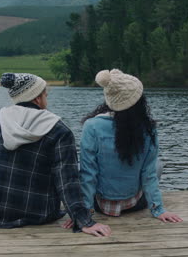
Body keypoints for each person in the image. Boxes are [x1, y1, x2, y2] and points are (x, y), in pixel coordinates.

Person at [0, 72, 111, 237]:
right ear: (37, 98)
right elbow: (67, 180)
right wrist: (84, 220)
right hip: (35, 212)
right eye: (46, 95)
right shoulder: (58, 130)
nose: (46, 100)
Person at [62, 69, 181, 229]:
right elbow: (149, 174)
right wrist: (158, 209)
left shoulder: (92, 126)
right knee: (156, 165)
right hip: (135, 204)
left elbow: (88, 175)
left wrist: (84, 214)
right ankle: (151, 202)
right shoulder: (148, 128)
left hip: (100, 206)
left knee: (83, 168)